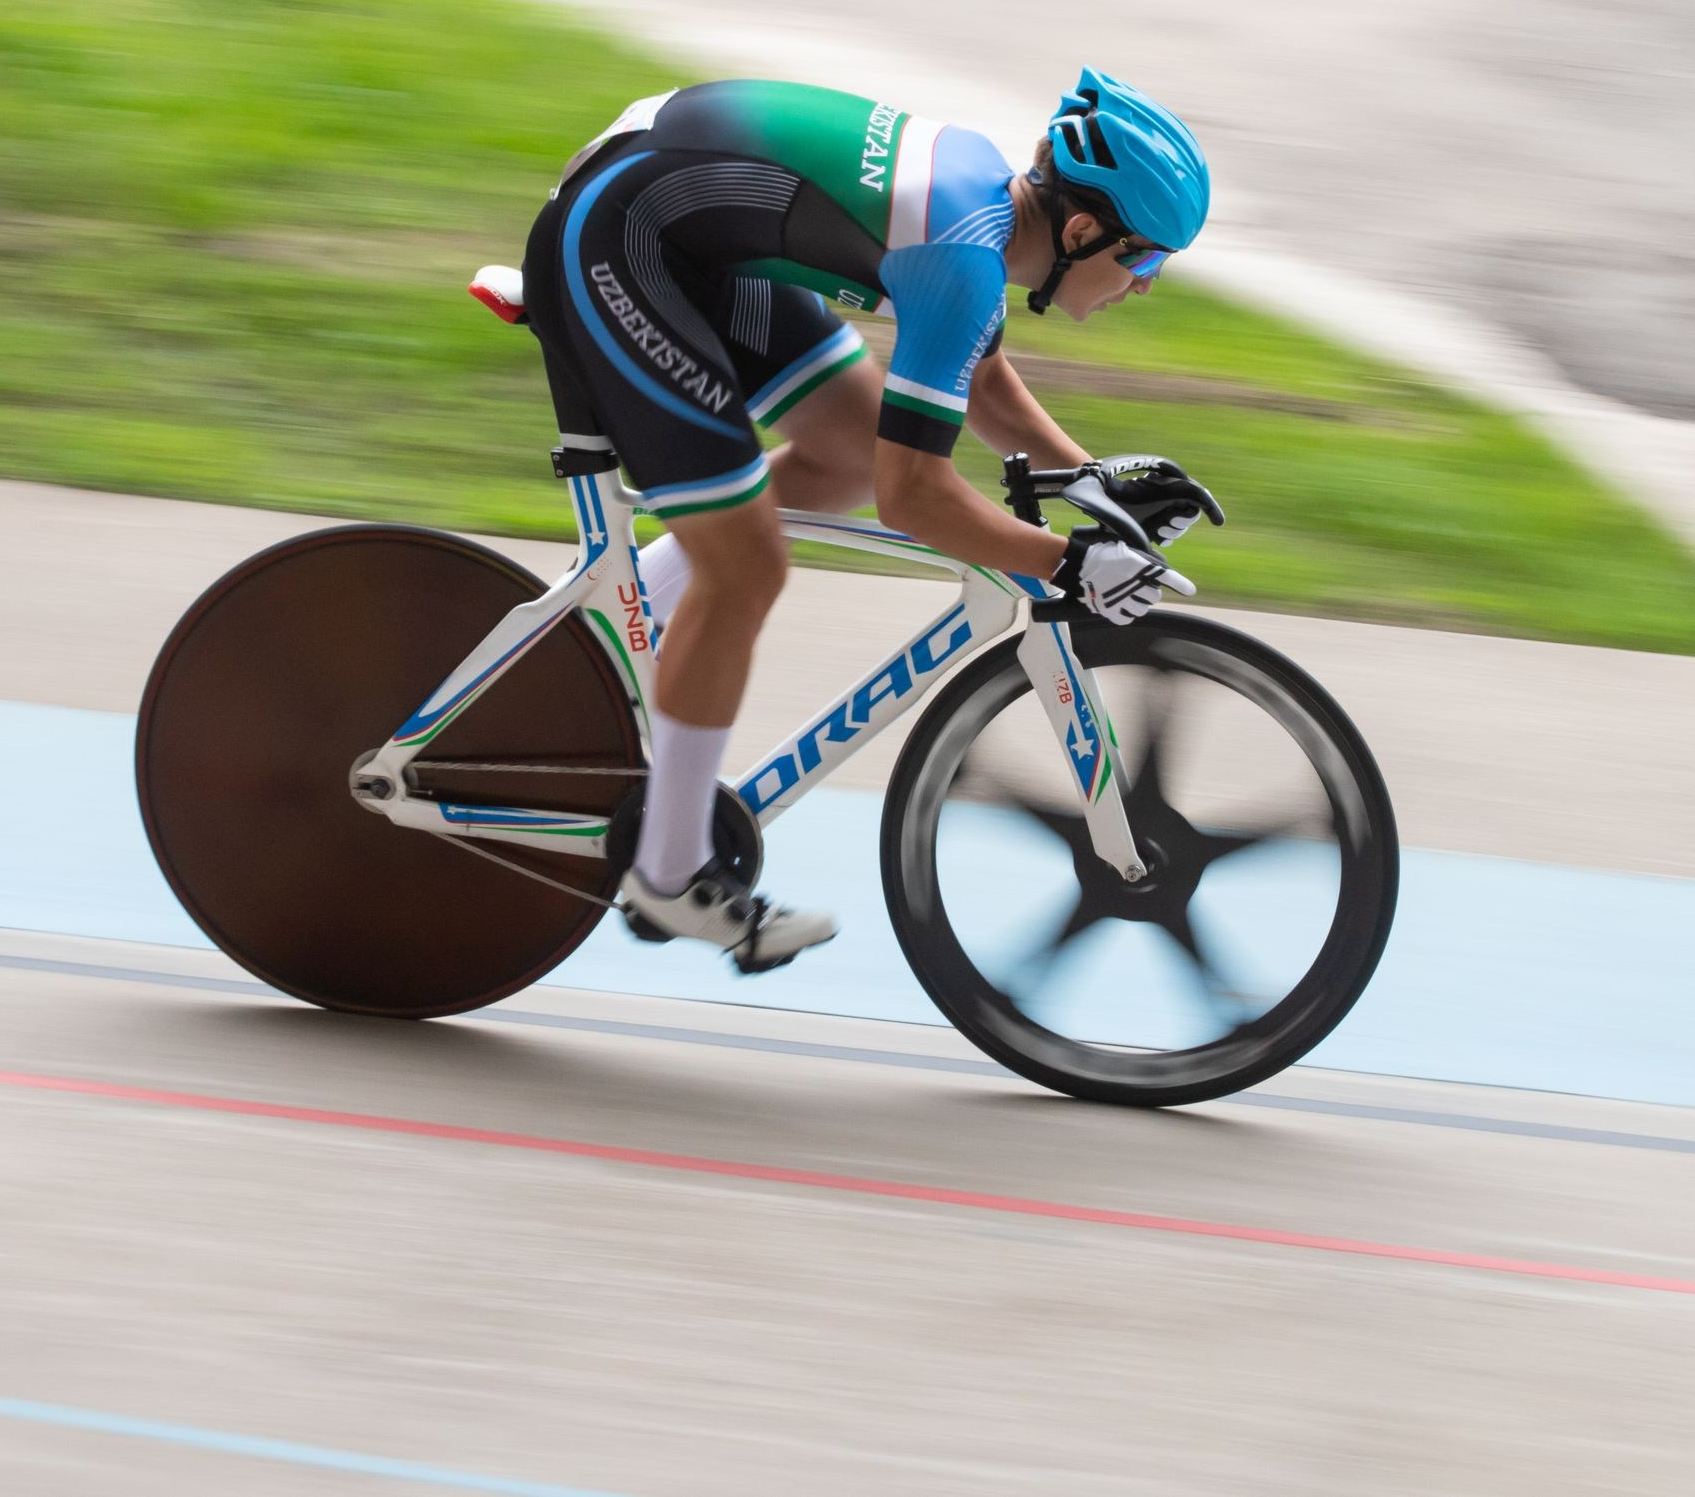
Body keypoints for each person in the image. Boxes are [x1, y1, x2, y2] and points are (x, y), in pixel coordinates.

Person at [520, 69, 1218, 972]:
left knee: (843, 452)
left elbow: (980, 374)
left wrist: (1090, 484)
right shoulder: (965, 259)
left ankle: (604, 628)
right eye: (1147, 259)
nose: (1148, 286)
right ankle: (668, 874)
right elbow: (916, 497)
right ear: (1083, 231)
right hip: (617, 239)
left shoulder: (986, 215)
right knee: (747, 566)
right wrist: (1070, 565)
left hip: (677, 221)